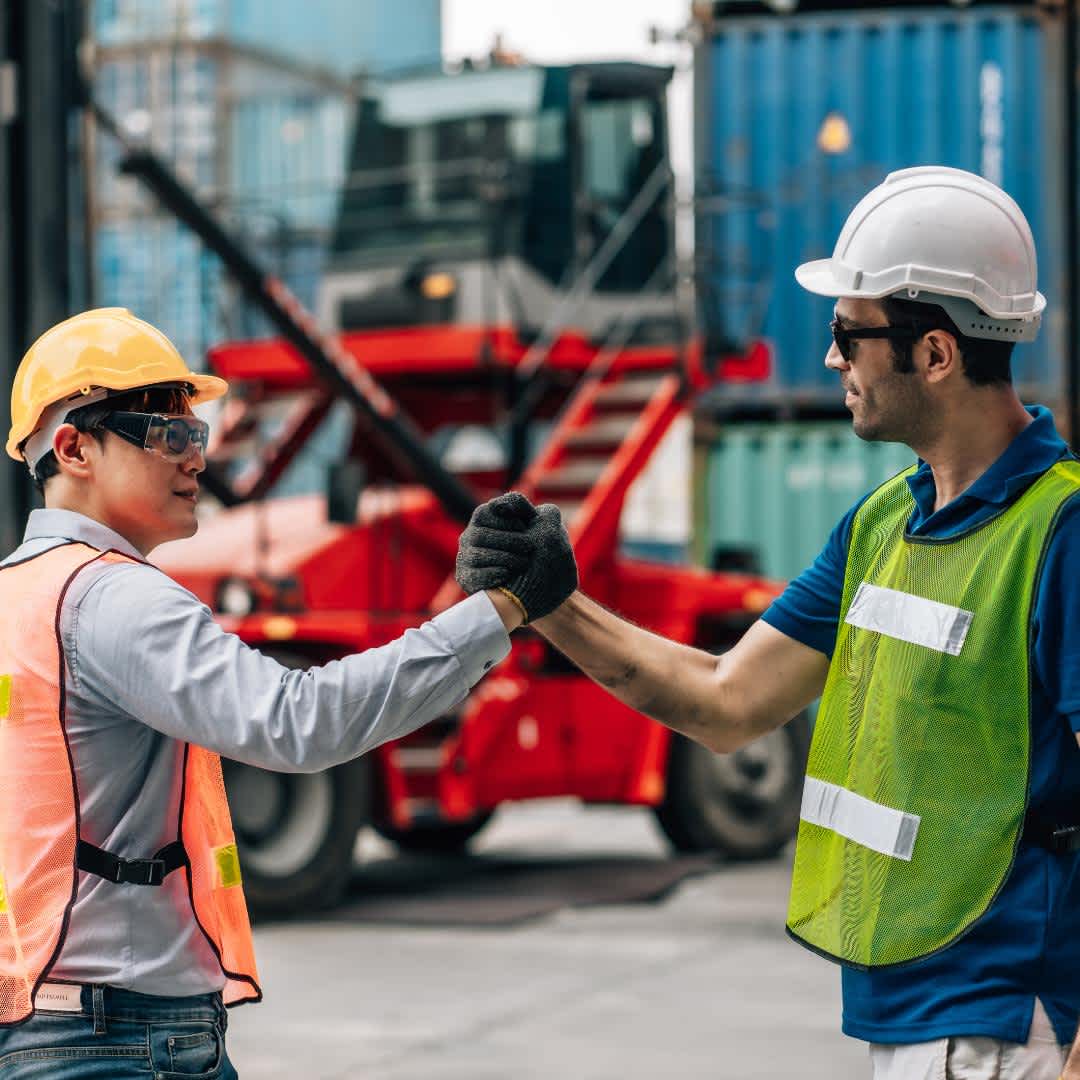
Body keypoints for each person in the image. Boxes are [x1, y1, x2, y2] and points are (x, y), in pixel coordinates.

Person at [456, 166, 1080, 1080]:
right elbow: (726, 699)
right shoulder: (881, 525)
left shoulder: (1060, 533)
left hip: (1011, 1026)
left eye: (848, 333)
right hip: (910, 1017)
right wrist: (554, 604)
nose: (832, 358)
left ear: (937, 354)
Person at [0, 306, 575, 1077]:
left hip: (36, 1017)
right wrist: (499, 610)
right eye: (168, 433)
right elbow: (295, 722)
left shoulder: (16, 595)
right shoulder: (115, 598)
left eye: (196, 432)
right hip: (122, 1037)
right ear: (73, 447)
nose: (195, 458)